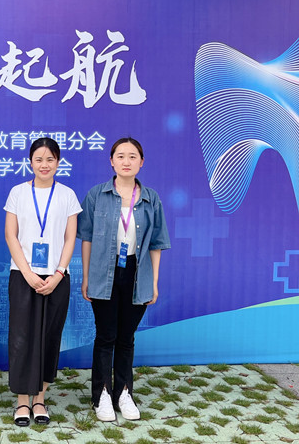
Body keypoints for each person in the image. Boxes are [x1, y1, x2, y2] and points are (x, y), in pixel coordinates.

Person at [77, 137, 170, 422]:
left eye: (132, 156)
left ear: (141, 162)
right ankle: (102, 395)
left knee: (127, 338)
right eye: (120, 156)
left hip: (137, 273)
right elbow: (87, 238)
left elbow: (156, 243)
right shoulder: (97, 195)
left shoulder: (151, 198)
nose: (126, 161)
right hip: (103, 272)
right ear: (111, 161)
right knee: (106, 336)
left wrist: (153, 281)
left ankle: (124, 393)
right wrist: (86, 276)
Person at [4, 137, 81, 427]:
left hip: (57, 278)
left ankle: (40, 399)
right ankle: (23, 401)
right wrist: (27, 273)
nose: (44, 165)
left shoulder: (67, 195)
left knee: (50, 337)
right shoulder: (18, 192)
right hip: (23, 276)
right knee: (22, 339)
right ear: (30, 162)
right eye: (39, 159)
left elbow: (70, 238)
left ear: (58, 162)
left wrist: (59, 273)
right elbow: (11, 235)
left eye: (50, 159)